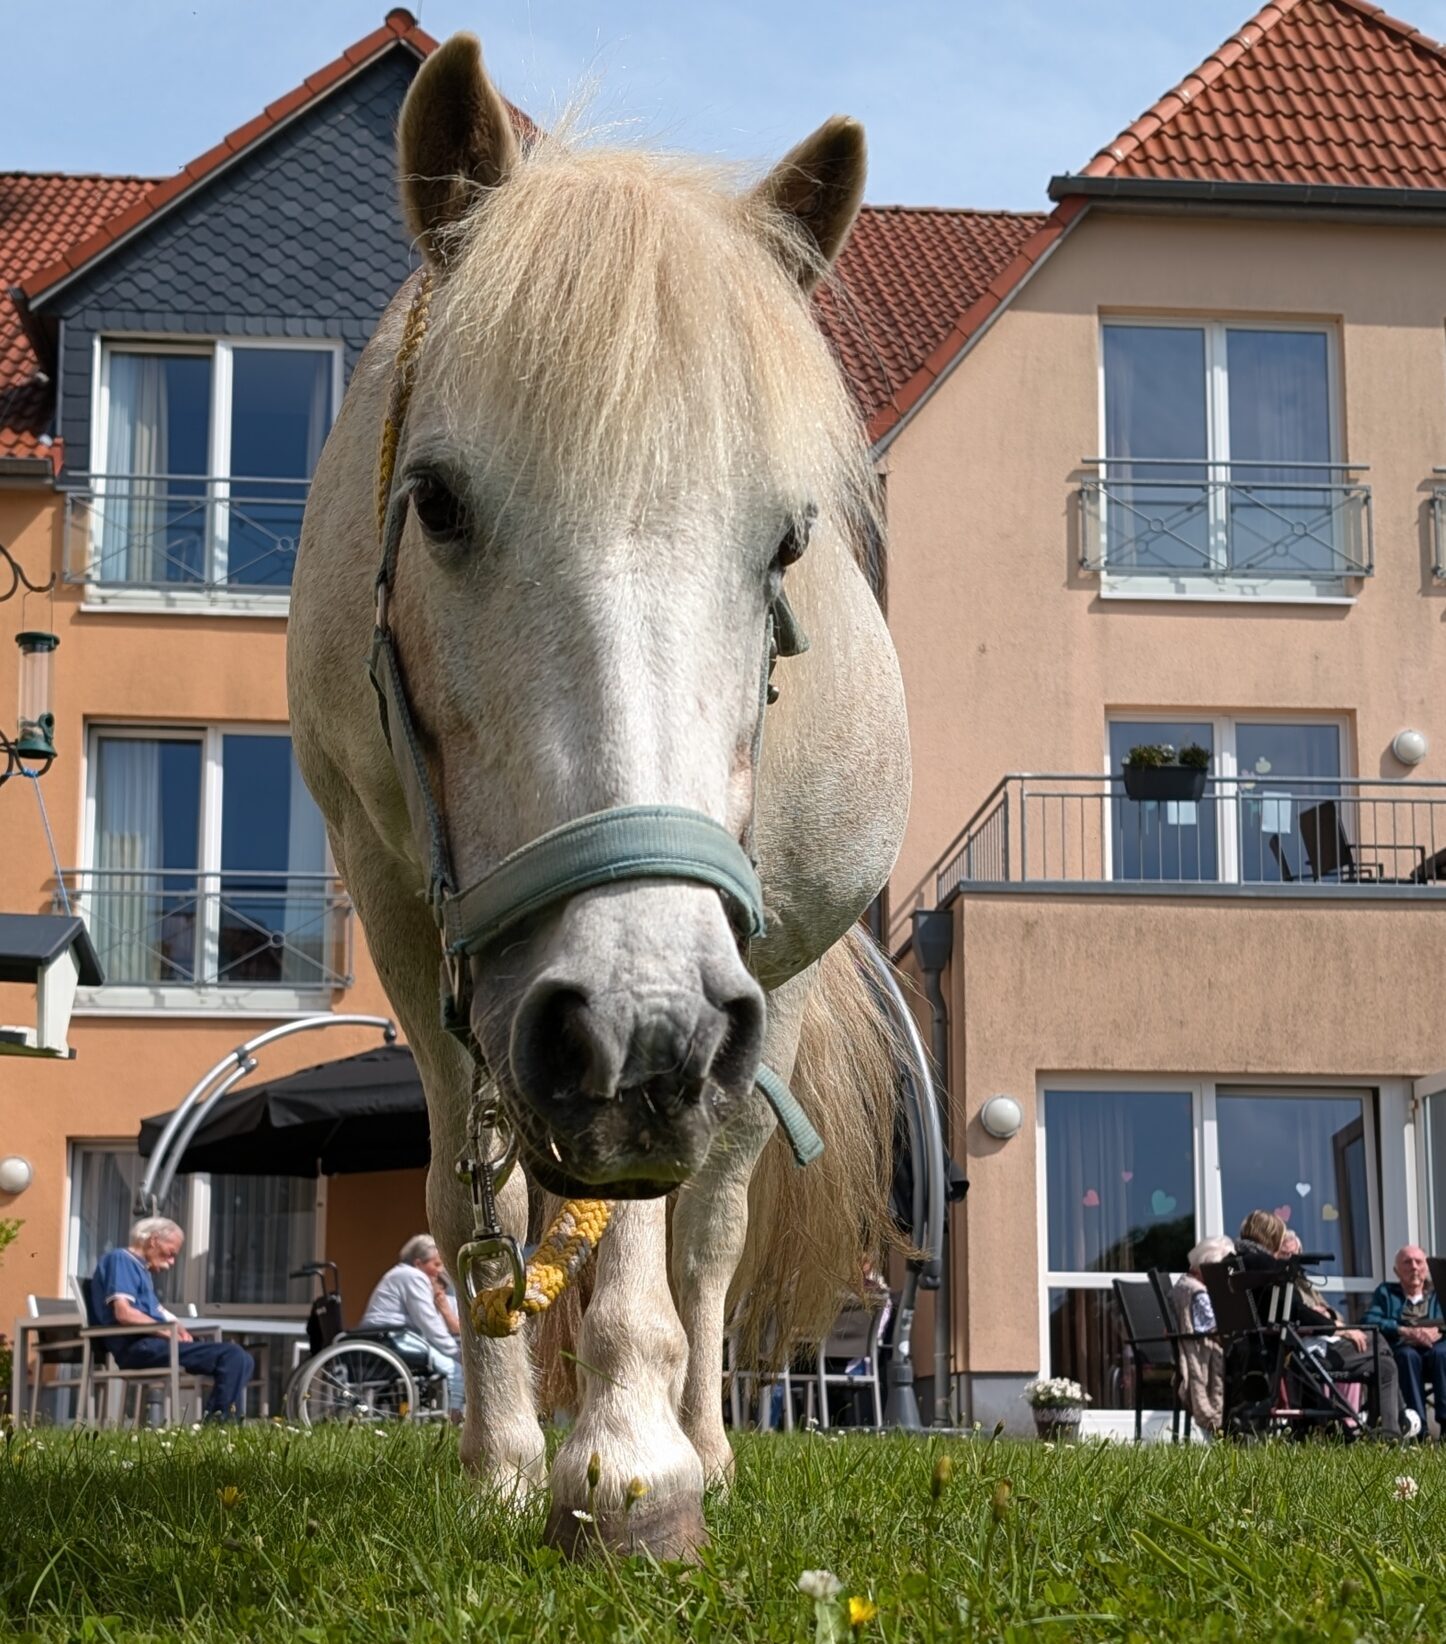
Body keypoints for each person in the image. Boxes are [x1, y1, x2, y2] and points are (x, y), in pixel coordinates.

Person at [1236, 1209, 1409, 1436]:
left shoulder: (1234, 1265)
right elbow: (1296, 1311)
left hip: (1262, 1352)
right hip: (1295, 1354)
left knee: (1384, 1363)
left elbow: (1284, 1310)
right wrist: (1338, 1328)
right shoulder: (1268, 1267)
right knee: (1379, 1343)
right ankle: (1393, 1428)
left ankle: (1390, 1427)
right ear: (1271, 1236)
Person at [91, 1216, 254, 1421]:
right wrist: (168, 1332)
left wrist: (179, 1329)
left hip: (154, 1344)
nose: (171, 1263)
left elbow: (159, 1311)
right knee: (233, 1356)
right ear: (153, 1240)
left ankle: (225, 1424)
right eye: (170, 1253)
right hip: (138, 1347)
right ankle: (218, 1425)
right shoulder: (122, 1259)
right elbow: (124, 1313)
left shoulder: (142, 1271)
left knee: (243, 1359)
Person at [358, 1234, 464, 1412]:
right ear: (418, 1263)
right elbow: (428, 1322)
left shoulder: (400, 1274)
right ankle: (454, 1418)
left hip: (383, 1335)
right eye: (436, 1264)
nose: (440, 1271)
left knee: (447, 1362)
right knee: (454, 1369)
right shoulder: (413, 1277)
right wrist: (456, 1353)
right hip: (391, 1337)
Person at [1363, 1245, 1445, 1440]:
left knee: (1442, 1354)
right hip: (1404, 1349)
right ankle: (1418, 1429)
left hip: (1437, 1348)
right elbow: (1369, 1319)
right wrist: (1402, 1329)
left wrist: (1438, 1330)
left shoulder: (1439, 1292)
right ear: (1396, 1270)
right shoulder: (1386, 1292)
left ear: (1427, 1267)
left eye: (1419, 1262)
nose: (1414, 1267)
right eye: (1407, 1262)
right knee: (1406, 1356)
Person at [1171, 1235, 1234, 1435]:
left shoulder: (1182, 1284)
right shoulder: (1199, 1292)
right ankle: (1234, 1428)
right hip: (1200, 1353)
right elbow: (1212, 1329)